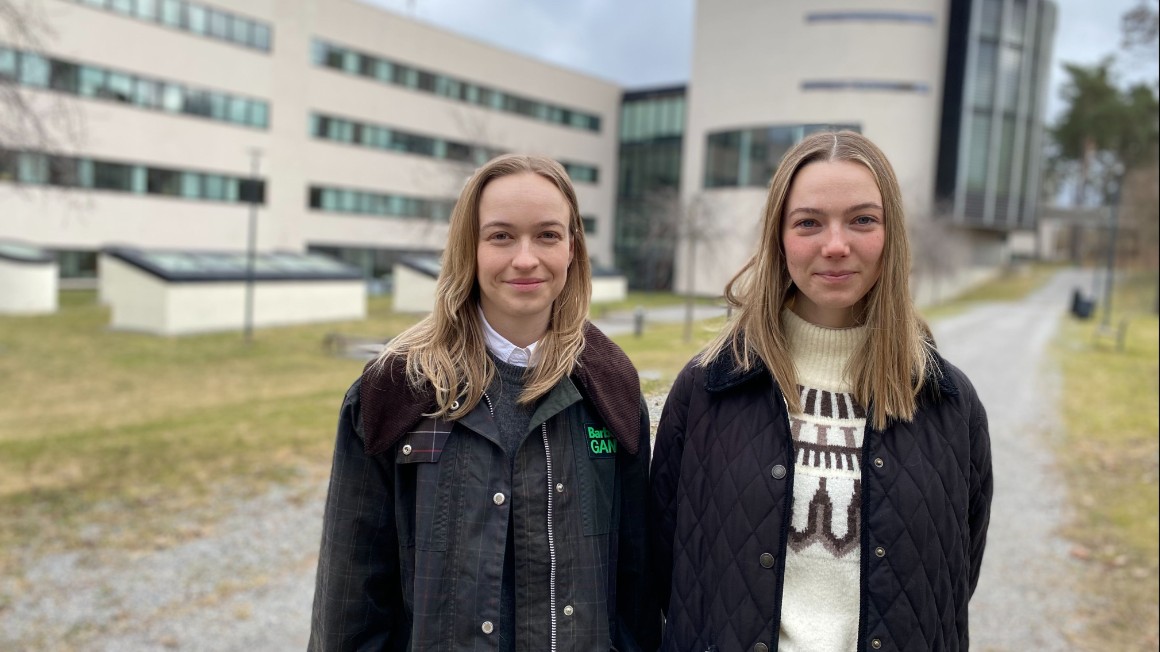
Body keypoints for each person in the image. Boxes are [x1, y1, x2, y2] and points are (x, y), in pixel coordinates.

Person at [650, 131, 992, 652]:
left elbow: (949, 586)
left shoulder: (949, 405)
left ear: (890, 235)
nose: (836, 245)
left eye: (862, 220)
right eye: (808, 222)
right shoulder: (705, 391)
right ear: (779, 238)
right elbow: (663, 568)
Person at [309, 154, 658, 652]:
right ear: (467, 248)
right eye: (500, 236)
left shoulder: (610, 386)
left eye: (547, 235)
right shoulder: (397, 388)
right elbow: (350, 601)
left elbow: (637, 592)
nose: (525, 258)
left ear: (572, 248)